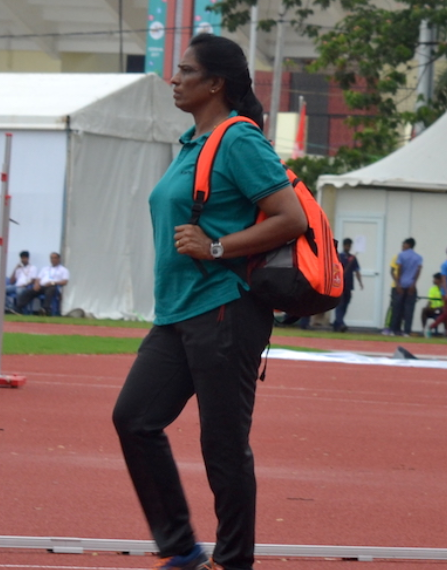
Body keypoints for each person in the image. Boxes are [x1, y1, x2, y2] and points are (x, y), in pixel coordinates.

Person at [112, 34, 307, 570]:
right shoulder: (192, 143)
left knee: (222, 446)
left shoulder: (238, 140)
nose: (174, 79)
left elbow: (292, 218)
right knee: (134, 418)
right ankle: (180, 546)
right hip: (178, 312)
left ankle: (234, 561)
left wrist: (216, 246)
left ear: (215, 83)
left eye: (185, 71)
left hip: (225, 307)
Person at [384, 238, 423, 336]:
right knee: (409, 310)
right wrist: (413, 284)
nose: (402, 247)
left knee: (396, 309)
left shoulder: (401, 255)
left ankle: (393, 330)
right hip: (411, 286)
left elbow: (399, 269)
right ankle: (406, 331)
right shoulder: (418, 257)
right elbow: (418, 271)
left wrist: (398, 284)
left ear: (408, 245)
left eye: (404, 245)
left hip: (401, 285)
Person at [331, 238, 363, 332]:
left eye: (350, 246)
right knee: (340, 305)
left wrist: (360, 282)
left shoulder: (353, 258)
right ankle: (341, 324)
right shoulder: (338, 256)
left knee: (345, 305)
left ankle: (337, 323)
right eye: (347, 245)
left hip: (348, 285)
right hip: (340, 285)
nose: (348, 247)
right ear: (344, 246)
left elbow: (357, 271)